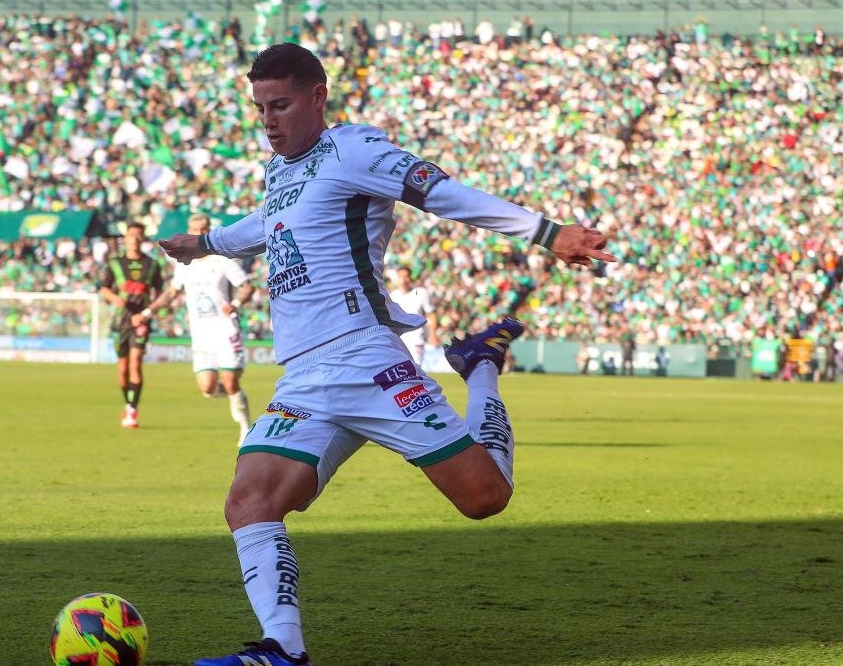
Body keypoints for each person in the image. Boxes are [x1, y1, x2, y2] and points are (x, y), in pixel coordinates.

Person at [159, 43, 615, 665]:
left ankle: (481, 366)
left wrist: (547, 232)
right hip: (304, 376)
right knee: (249, 501)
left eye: (281, 105)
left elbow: (442, 193)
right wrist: (205, 242)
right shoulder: (281, 172)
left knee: (485, 497)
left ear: (318, 97)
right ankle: (283, 650)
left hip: (365, 359)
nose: (268, 121)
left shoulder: (354, 151)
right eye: (260, 108)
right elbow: (267, 226)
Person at [153, 215, 257, 446]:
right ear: (188, 231)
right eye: (195, 229)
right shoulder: (184, 263)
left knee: (230, 381)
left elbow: (247, 287)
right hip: (201, 335)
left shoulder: (223, 260)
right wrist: (148, 312)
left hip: (225, 330)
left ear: (209, 230)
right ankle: (234, 396)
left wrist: (235, 304)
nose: (199, 232)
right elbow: (172, 292)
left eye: (204, 229)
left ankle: (246, 428)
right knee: (208, 388)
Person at [99, 222, 165, 429]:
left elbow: (160, 294)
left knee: (136, 363)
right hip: (121, 321)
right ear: (125, 238)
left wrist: (150, 313)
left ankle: (132, 409)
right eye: (131, 235)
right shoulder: (115, 263)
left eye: (138, 235)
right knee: (122, 370)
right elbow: (104, 289)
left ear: (143, 238)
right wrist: (115, 298)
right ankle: (127, 403)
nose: (135, 239)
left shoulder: (152, 264)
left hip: (140, 320)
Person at [387, 266, 437, 365]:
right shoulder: (392, 296)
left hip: (417, 339)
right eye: (401, 277)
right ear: (397, 279)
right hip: (399, 340)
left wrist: (432, 334)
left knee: (416, 368)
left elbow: (431, 314)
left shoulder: (420, 293)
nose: (403, 280)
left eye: (406, 277)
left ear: (410, 278)